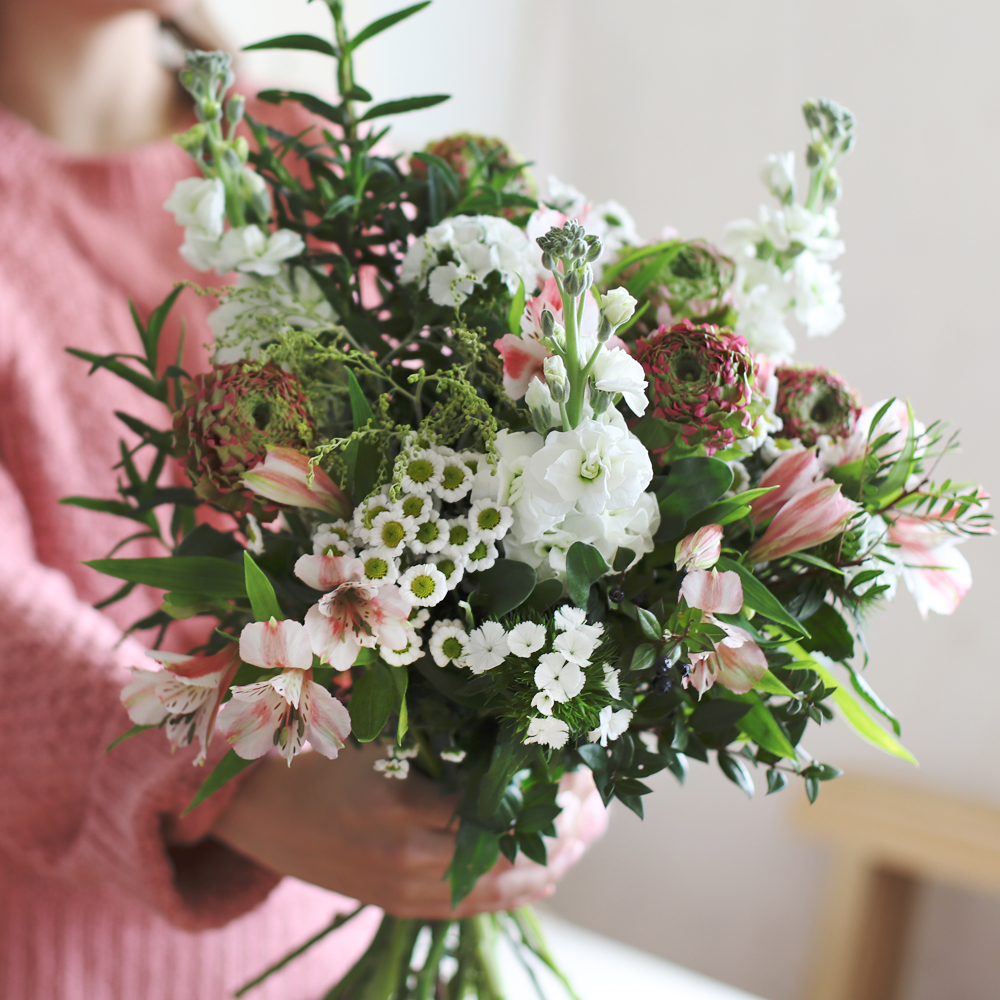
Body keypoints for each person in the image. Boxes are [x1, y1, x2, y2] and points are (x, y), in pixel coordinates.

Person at [0, 2, 606, 998]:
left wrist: (558, 712)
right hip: (65, 952)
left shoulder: (306, 151)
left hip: (333, 935)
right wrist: (216, 778)